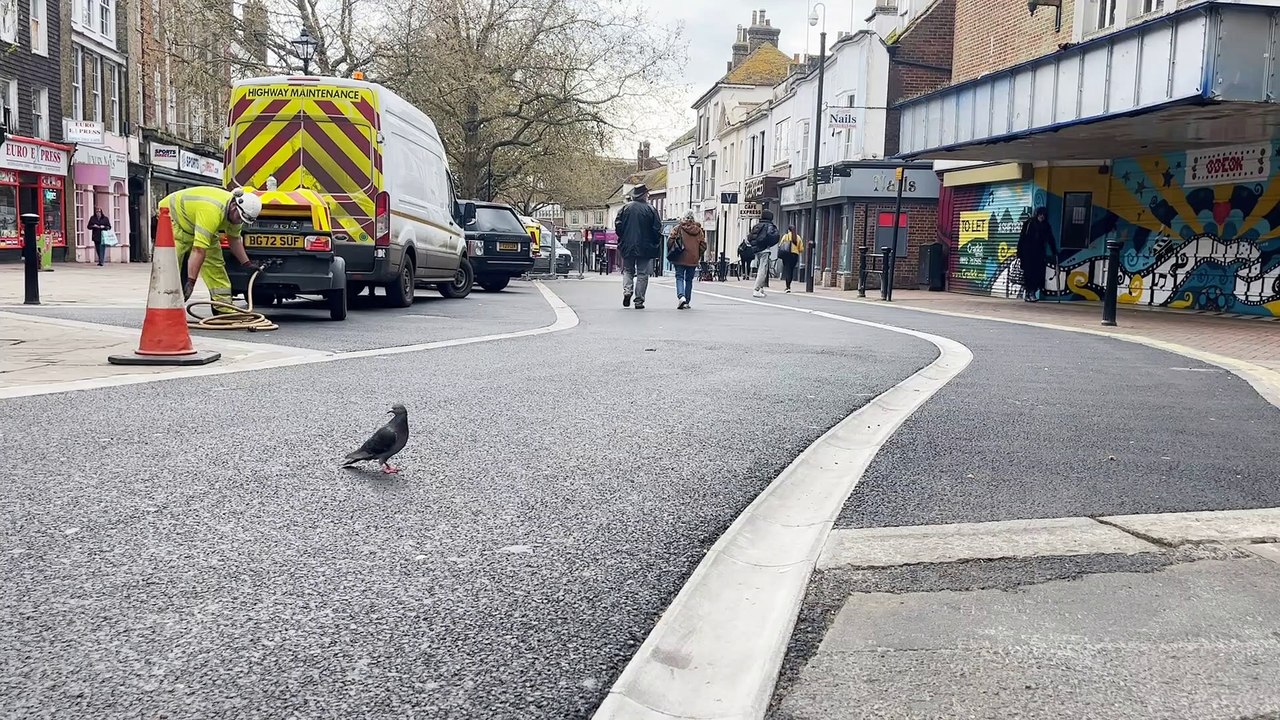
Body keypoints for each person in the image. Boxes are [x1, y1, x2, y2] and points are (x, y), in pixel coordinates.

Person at [157, 186, 263, 309]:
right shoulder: (212, 211)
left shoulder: (236, 214)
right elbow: (199, 250)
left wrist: (246, 264)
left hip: (197, 221)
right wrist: (191, 281)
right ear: (234, 206)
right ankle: (166, 307)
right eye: (239, 218)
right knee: (172, 263)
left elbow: (234, 239)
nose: (239, 222)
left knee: (215, 263)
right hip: (173, 217)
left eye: (243, 220)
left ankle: (223, 307)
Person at [614, 183, 662, 309]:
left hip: (627, 245)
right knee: (642, 273)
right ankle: (639, 300)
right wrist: (655, 242)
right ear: (644, 195)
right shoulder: (651, 209)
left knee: (628, 270)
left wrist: (623, 238)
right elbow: (657, 229)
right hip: (645, 247)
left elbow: (618, 226)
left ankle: (627, 291)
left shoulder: (625, 209)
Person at [668, 211, 708, 310]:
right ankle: (687, 301)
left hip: (680, 257)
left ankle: (681, 297)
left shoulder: (678, 228)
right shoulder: (698, 231)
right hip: (693, 259)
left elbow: (670, 241)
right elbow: (703, 245)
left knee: (679, 277)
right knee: (689, 280)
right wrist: (698, 254)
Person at [1018, 206, 1056, 302]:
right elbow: (1022, 238)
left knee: (1038, 273)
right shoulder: (1029, 223)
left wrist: (1054, 251)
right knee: (1028, 273)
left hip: (1039, 253)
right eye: (1040, 214)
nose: (1042, 217)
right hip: (1028, 253)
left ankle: (1032, 292)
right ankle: (1029, 292)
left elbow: (1051, 239)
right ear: (1037, 214)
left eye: (1044, 215)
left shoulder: (1046, 226)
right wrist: (1019, 253)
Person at [747, 210, 782, 298]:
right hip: (764, 249)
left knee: (760, 268)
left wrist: (754, 246)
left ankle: (761, 289)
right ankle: (757, 289)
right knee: (763, 269)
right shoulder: (769, 226)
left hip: (756, 250)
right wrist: (768, 244)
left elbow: (750, 237)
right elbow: (774, 236)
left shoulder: (757, 226)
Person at [777, 225, 804, 293]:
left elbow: (780, 245)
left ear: (789, 230)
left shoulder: (785, 236)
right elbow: (801, 249)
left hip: (786, 255)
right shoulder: (798, 237)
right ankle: (789, 284)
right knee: (791, 270)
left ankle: (787, 286)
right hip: (794, 255)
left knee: (787, 269)